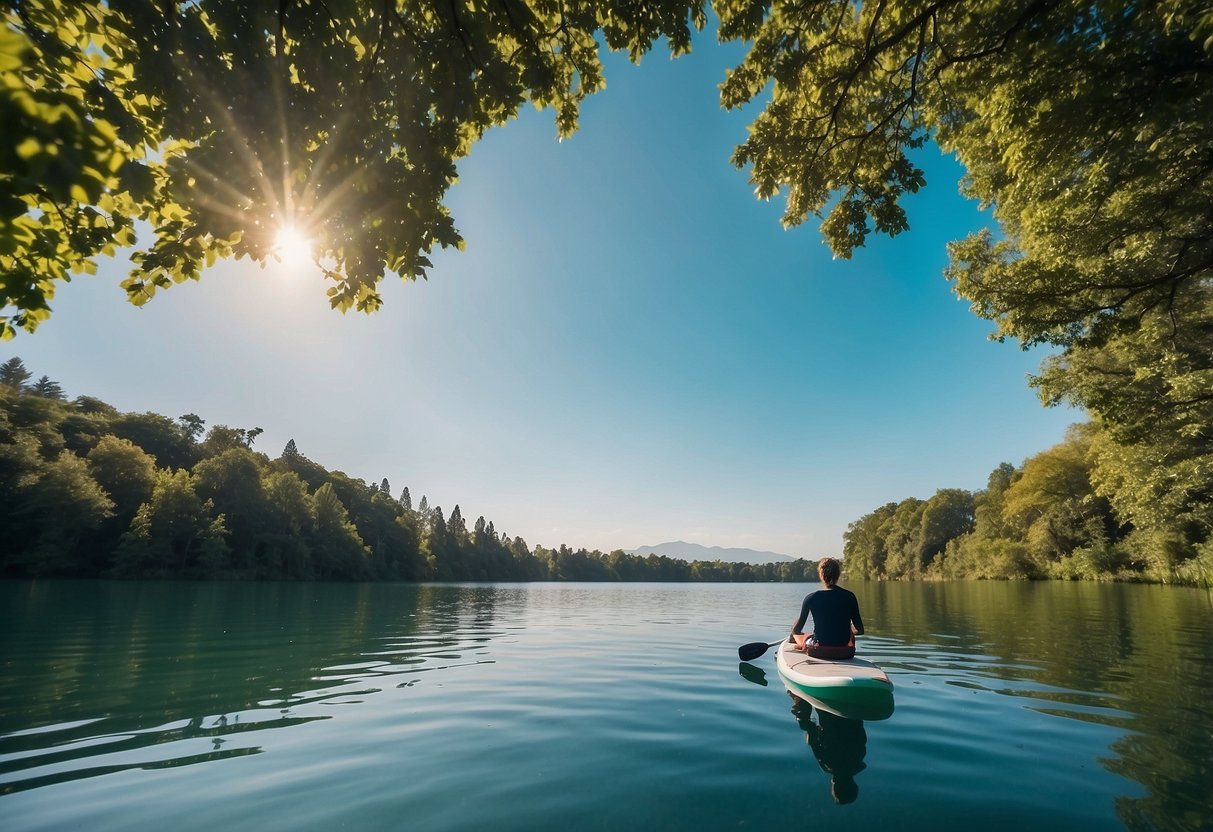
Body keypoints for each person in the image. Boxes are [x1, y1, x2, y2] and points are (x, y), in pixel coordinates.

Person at [790, 557, 864, 659]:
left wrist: (795, 631)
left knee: (797, 629)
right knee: (849, 629)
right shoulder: (850, 596)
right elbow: (860, 630)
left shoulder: (810, 598)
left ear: (821, 575)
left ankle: (798, 642)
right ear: (838, 575)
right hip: (845, 652)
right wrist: (849, 629)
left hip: (818, 651)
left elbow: (797, 630)